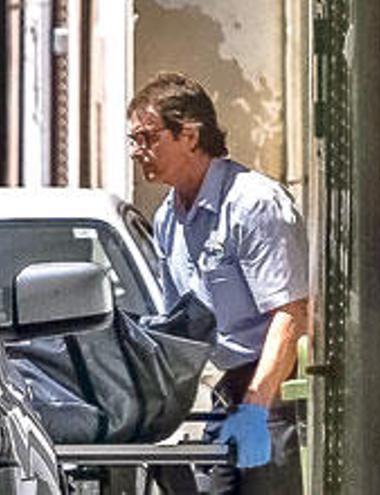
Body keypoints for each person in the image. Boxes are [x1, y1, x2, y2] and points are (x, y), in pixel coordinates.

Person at [127, 72, 308, 494]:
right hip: (225, 396)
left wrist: (258, 405)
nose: (138, 151)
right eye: (133, 140)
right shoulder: (169, 219)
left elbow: (292, 314)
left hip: (275, 396)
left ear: (189, 136)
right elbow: (179, 326)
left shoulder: (252, 203)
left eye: (147, 137)